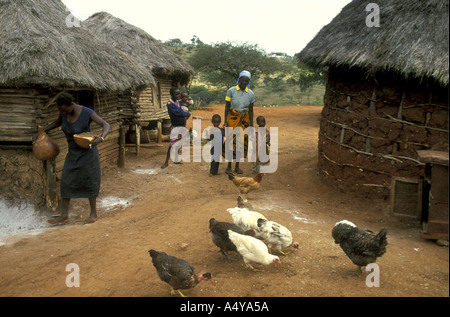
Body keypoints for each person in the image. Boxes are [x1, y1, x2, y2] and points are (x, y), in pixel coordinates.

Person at [43, 92, 110, 224]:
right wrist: (43, 130)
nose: (64, 112)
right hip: (72, 153)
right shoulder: (63, 113)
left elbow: (106, 125)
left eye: (65, 109)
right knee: (66, 181)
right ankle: (64, 215)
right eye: (61, 110)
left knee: (90, 180)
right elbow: (57, 122)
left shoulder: (87, 112)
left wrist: (101, 137)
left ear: (71, 104)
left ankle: (93, 214)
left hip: (88, 153)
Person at [224, 70, 255, 174]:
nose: (244, 82)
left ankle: (237, 166)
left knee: (241, 143)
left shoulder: (251, 94)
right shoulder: (231, 91)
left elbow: (251, 110)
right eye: (243, 80)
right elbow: (227, 107)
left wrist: (251, 125)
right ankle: (229, 166)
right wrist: (225, 121)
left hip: (244, 121)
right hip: (232, 119)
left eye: (247, 81)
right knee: (230, 142)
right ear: (239, 79)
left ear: (249, 81)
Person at [161, 87, 191, 169]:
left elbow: (185, 109)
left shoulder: (178, 102)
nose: (178, 96)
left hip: (181, 126)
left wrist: (186, 114)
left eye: (178, 94)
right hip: (175, 127)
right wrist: (187, 114)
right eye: (176, 94)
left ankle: (176, 159)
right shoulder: (170, 104)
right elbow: (179, 112)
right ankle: (166, 162)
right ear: (171, 94)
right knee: (172, 145)